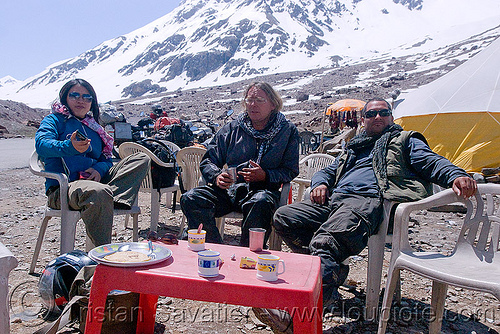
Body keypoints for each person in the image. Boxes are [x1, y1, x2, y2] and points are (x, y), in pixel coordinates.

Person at [256, 98, 477, 333]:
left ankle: (297, 315)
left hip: (372, 202)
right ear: (363, 120)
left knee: (327, 240)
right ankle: (331, 273)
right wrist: (320, 183)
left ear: (392, 117)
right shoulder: (355, 147)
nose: (378, 117)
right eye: (372, 114)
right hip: (336, 201)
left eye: (384, 112)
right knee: (284, 217)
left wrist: (456, 175)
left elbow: (431, 161)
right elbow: (329, 171)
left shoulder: (404, 140)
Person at [180, 82, 300, 246]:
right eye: (249, 100)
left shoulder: (287, 131)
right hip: (230, 190)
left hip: (263, 192)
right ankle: (212, 250)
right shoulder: (233, 128)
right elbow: (209, 160)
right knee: (191, 198)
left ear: (273, 104)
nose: (253, 105)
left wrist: (265, 175)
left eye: (259, 100)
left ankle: (249, 256)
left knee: (260, 202)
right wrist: (217, 177)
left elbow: (290, 170)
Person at [35, 78, 150, 246]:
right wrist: (69, 146)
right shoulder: (55, 120)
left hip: (95, 183)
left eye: (87, 97)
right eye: (75, 95)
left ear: (92, 102)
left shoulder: (93, 127)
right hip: (64, 189)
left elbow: (105, 159)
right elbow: (42, 145)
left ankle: (110, 198)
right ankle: (101, 258)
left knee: (141, 159)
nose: (81, 100)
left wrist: (98, 169)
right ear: (65, 98)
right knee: (98, 191)